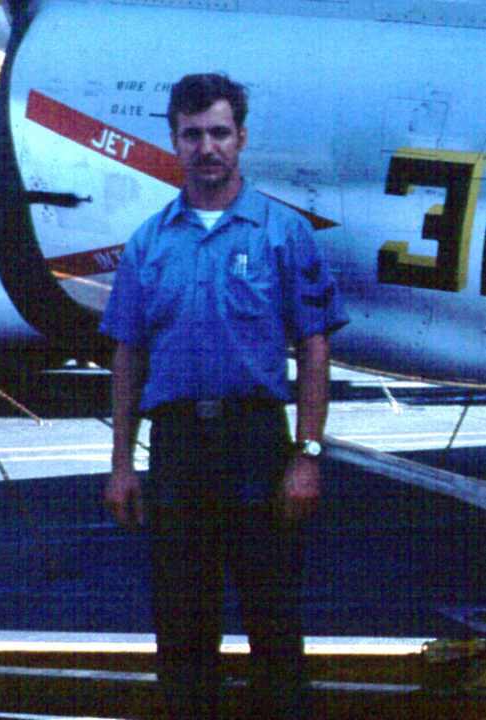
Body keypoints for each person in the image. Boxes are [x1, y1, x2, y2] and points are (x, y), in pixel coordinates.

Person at [100, 73, 348, 719]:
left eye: (218, 132)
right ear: (174, 141)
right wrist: (122, 464)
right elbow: (128, 353)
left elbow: (314, 345)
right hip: (178, 451)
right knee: (182, 627)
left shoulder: (281, 233)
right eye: (191, 134)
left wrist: (306, 455)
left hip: (256, 447)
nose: (206, 146)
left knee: (273, 621)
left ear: (240, 138)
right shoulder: (148, 243)